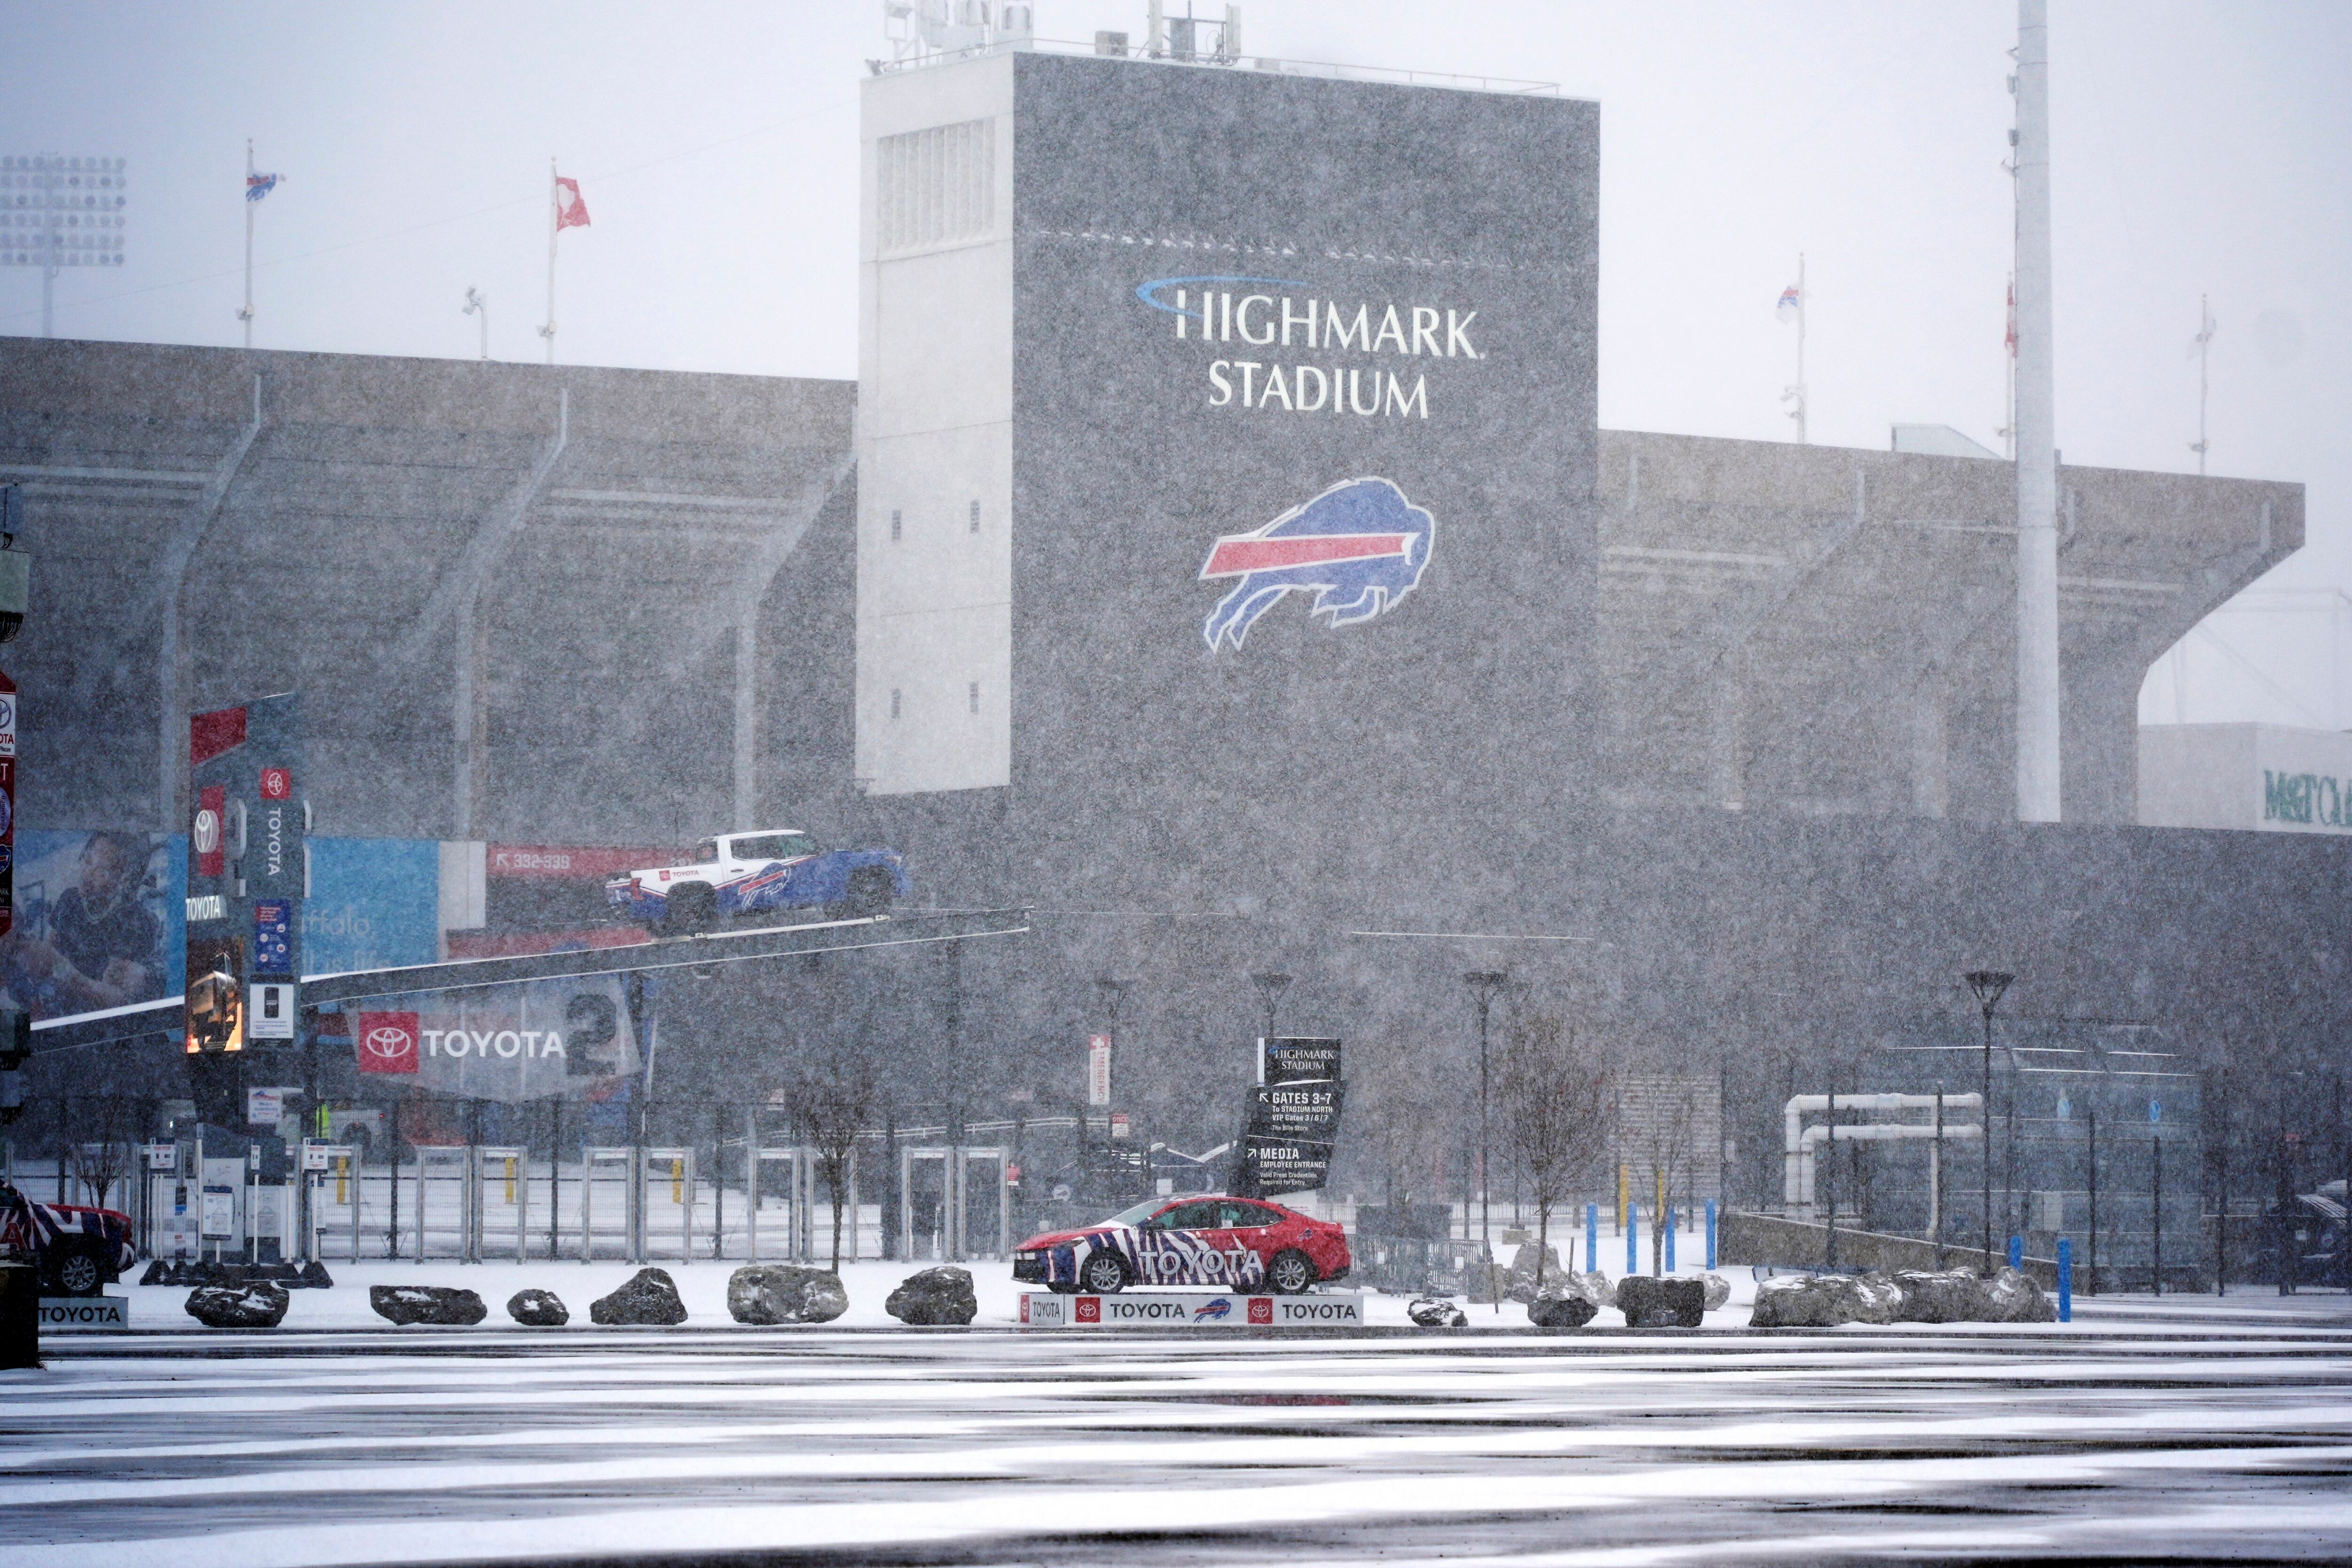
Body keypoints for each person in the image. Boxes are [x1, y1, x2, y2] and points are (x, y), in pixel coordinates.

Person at [5, 832, 161, 1017]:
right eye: (87, 862)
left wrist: (60, 969)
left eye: (102, 872)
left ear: (125, 879)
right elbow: (47, 953)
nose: (87, 875)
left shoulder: (137, 922)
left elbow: (119, 1002)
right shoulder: (69, 900)